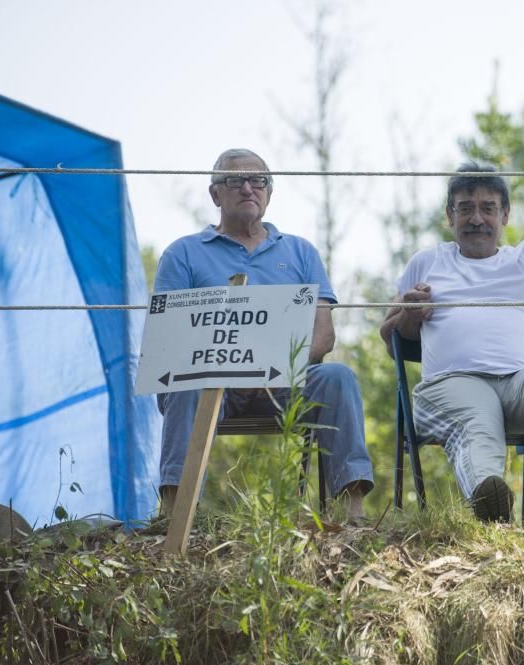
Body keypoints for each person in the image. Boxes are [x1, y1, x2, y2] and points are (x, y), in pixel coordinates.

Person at [380, 113, 524, 527]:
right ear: (449, 217)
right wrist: (409, 315)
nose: (476, 218)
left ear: (505, 216)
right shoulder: (427, 261)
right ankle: (490, 503)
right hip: (451, 387)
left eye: (487, 208)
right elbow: (391, 335)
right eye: (465, 209)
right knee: (478, 408)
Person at [154, 148, 373, 521]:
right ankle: (175, 515)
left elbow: (323, 336)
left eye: (258, 180)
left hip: (287, 378)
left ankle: (350, 513)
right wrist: (238, 371)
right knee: (183, 385)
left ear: (269, 193)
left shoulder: (300, 252)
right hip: (211, 383)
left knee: (338, 376)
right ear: (214, 195)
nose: (247, 187)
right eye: (233, 180)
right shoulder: (183, 255)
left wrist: (268, 368)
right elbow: (169, 338)